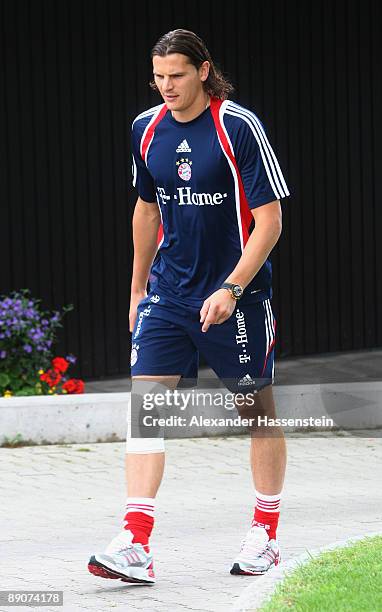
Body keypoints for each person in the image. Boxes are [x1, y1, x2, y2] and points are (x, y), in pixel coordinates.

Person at [88, 28, 289, 585]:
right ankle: (136, 541)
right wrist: (136, 290)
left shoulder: (237, 127)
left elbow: (269, 221)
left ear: (202, 71)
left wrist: (232, 288)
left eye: (176, 75)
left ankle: (266, 536)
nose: (166, 87)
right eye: (158, 78)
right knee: (145, 412)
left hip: (237, 296)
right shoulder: (144, 129)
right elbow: (146, 211)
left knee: (257, 414)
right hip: (169, 296)